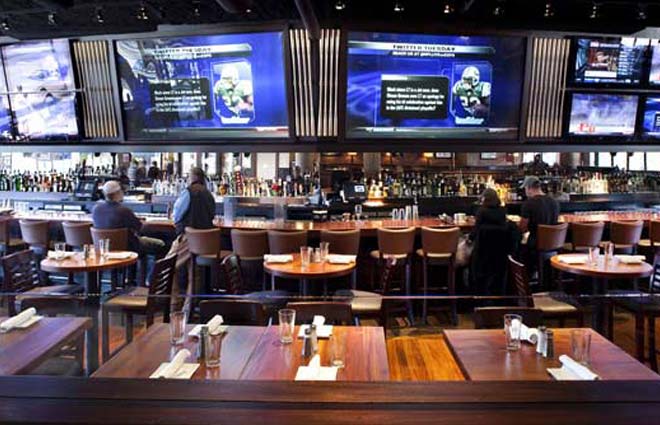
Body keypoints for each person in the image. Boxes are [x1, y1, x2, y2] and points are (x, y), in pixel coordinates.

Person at [92, 180, 167, 283]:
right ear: (117, 193)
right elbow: (140, 228)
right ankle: (151, 280)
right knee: (161, 244)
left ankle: (130, 279)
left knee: (133, 241)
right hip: (129, 247)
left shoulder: (96, 209)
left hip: (105, 249)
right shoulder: (123, 210)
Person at [518, 175, 560, 284]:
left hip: (536, 245)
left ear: (529, 188)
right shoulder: (554, 202)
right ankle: (547, 280)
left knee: (518, 250)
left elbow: (522, 228)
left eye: (525, 189)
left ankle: (526, 282)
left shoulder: (529, 204)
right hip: (554, 245)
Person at [172, 167, 216, 235]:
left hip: (188, 237)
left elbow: (177, 215)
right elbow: (212, 215)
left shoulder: (188, 192)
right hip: (207, 237)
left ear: (193, 177)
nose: (187, 179)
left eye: (189, 176)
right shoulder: (209, 194)